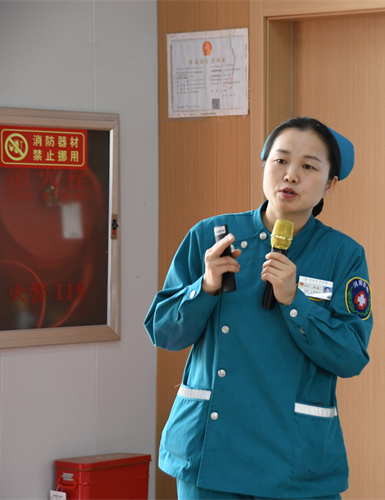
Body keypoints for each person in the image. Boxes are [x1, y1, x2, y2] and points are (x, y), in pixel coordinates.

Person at [145, 117, 373, 500]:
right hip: (212, 452)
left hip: (296, 460)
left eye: (308, 166)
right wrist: (205, 287)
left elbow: (351, 356)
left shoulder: (343, 255)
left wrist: (295, 303)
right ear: (265, 165)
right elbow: (163, 332)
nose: (291, 175)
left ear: (330, 184)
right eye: (280, 161)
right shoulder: (212, 237)